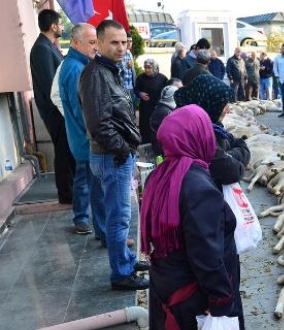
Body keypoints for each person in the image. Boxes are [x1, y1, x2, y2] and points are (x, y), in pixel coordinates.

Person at [141, 105, 245, 330]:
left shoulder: (156, 177)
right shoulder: (199, 187)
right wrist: (220, 300)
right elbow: (206, 254)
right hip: (194, 297)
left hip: (166, 286)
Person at [80, 20, 147, 290]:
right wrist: (123, 149)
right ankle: (121, 274)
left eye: (123, 42)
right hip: (112, 156)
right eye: (114, 42)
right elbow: (99, 124)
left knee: (120, 216)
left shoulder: (110, 70)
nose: (121, 48)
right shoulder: (96, 73)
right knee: (119, 219)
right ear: (98, 43)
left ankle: (127, 260)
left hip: (115, 154)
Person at [57, 23, 102, 236]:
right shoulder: (75, 68)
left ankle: (85, 220)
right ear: (75, 42)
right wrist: (97, 135)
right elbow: (82, 110)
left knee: (86, 180)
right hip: (85, 139)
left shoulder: (76, 64)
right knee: (90, 184)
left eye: (97, 42)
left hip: (82, 137)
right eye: (92, 42)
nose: (96, 47)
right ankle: (86, 221)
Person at [30, 9, 75, 204]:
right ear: (53, 26)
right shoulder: (41, 48)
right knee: (64, 152)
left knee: (67, 151)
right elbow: (51, 85)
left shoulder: (49, 46)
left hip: (59, 110)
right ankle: (66, 194)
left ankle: (70, 192)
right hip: (55, 111)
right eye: (60, 23)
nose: (63, 27)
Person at [174, 74, 251, 187]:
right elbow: (232, 171)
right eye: (224, 105)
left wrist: (228, 154)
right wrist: (234, 154)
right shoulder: (195, 132)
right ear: (208, 102)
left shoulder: (212, 125)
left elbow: (237, 142)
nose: (228, 110)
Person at [135, 59, 168, 144]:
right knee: (145, 127)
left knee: (157, 127)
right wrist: (140, 94)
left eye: (149, 68)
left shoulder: (162, 78)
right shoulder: (140, 77)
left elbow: (167, 91)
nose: (147, 70)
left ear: (154, 68)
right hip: (145, 108)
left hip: (157, 107)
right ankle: (145, 144)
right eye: (145, 67)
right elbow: (135, 89)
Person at [150, 81, 180, 157]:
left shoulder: (163, 107)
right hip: (163, 149)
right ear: (172, 96)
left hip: (161, 147)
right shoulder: (166, 111)